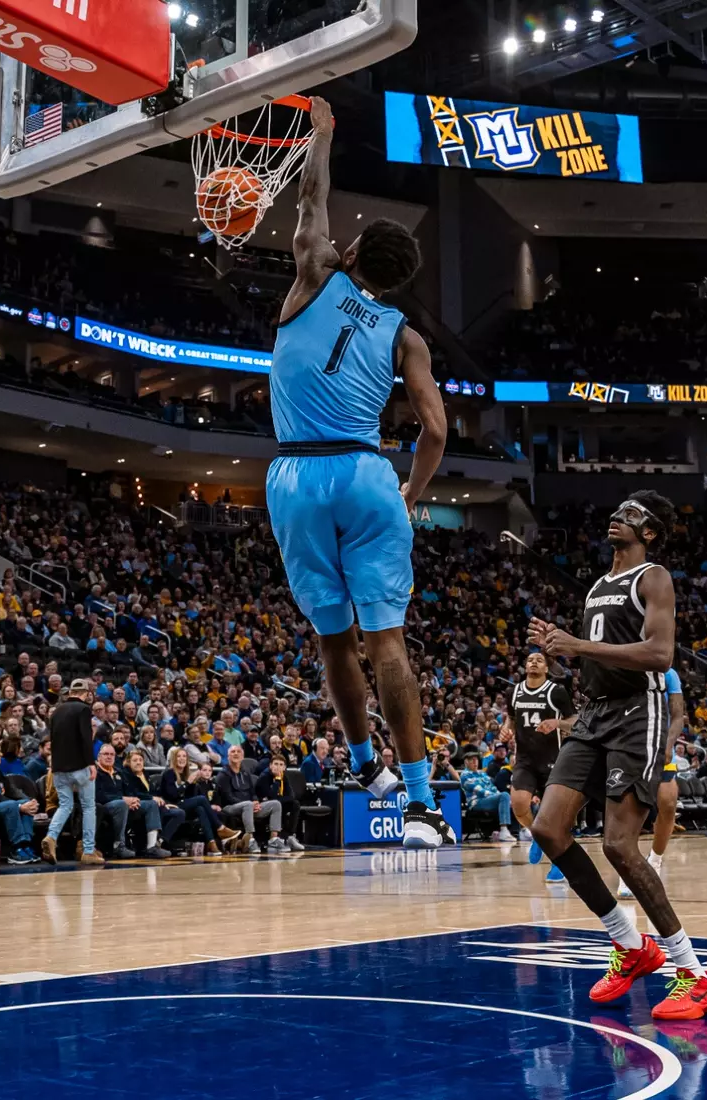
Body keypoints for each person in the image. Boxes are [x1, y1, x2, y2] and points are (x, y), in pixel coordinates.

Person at [265, 96, 452, 850]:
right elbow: (435, 429)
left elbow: (312, 197)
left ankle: (364, 763)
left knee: (333, 643)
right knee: (389, 645)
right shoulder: (406, 336)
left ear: (348, 254)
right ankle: (418, 805)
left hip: (296, 476)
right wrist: (412, 492)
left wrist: (322, 134)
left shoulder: (313, 271)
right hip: (370, 475)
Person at [526, 491, 707, 1022]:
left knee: (618, 845)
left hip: (640, 711)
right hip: (595, 712)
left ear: (651, 532)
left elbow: (659, 655)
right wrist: (559, 651)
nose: (617, 516)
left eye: (632, 514)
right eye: (616, 510)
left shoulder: (653, 577)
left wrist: (580, 646)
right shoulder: (596, 586)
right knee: (547, 828)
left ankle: (695, 975)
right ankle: (630, 944)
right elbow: (595, 665)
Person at [504, 650, 574, 880]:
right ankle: (537, 836)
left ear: (547, 668)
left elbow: (575, 722)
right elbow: (511, 718)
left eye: (539, 660)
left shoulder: (557, 692)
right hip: (525, 759)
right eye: (530, 660)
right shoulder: (513, 691)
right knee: (518, 804)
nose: (534, 662)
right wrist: (507, 729)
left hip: (554, 759)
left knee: (555, 819)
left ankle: (560, 863)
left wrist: (558, 723)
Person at [623, 665, 687, 897]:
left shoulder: (669, 673)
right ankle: (627, 868)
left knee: (668, 803)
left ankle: (655, 860)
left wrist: (669, 745)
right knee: (630, 810)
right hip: (630, 745)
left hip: (660, 745)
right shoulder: (626, 670)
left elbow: (678, 716)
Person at [42, 679, 102, 866]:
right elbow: (85, 738)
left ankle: (51, 837)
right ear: (85, 693)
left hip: (59, 768)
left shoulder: (57, 711)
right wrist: (91, 762)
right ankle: (89, 850)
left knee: (65, 805)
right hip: (80, 766)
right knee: (88, 807)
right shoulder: (83, 709)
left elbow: (53, 740)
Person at [214, 743, 287, 853]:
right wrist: (249, 804)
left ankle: (273, 839)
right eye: (233, 752)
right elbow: (227, 797)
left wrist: (256, 802)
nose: (236, 754)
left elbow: (252, 792)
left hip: (249, 807)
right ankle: (250, 840)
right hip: (229, 807)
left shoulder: (246, 773)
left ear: (243, 756)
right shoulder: (223, 775)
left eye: (238, 752)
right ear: (228, 756)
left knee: (275, 804)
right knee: (247, 804)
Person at [123, 747, 180, 855]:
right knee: (155, 806)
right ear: (129, 762)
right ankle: (151, 846)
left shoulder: (145, 773)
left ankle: (160, 841)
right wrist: (152, 799)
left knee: (179, 813)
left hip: (149, 803)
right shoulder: (126, 774)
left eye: (140, 760)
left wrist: (164, 803)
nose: (138, 763)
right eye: (135, 760)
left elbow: (152, 793)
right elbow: (132, 793)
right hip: (134, 804)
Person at [459, 749, 514, 842]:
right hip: (476, 802)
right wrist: (497, 796)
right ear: (466, 762)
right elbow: (479, 790)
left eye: (476, 759)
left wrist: (500, 796)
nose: (475, 762)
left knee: (511, 800)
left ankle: (520, 830)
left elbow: (492, 787)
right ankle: (504, 830)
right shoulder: (464, 775)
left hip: (488, 799)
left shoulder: (482, 774)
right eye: (472, 760)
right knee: (504, 795)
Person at [256, 753, 306, 851]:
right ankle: (275, 839)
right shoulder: (264, 777)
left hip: (276, 803)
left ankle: (290, 837)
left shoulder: (284, 777)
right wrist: (277, 781)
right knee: (278, 804)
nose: (278, 767)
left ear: (285, 767)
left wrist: (278, 798)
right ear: (270, 765)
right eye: (276, 764)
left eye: (281, 765)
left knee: (295, 804)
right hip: (264, 807)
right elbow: (272, 798)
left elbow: (291, 796)